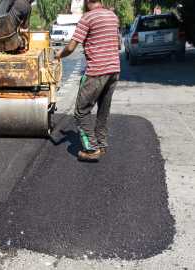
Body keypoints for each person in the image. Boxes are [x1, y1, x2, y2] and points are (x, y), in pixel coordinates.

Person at [55, 0, 120, 162]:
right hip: (114, 71)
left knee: (81, 111)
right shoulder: (112, 16)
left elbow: (70, 47)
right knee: (103, 110)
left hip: (96, 72)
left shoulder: (87, 18)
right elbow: (118, 44)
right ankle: (102, 144)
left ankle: (91, 149)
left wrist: (58, 56)